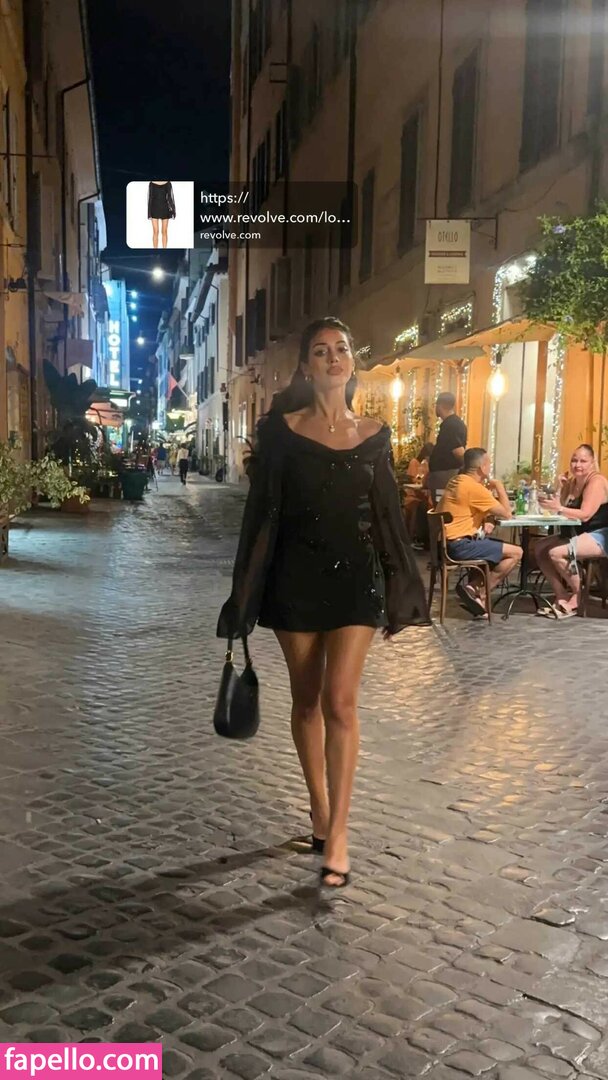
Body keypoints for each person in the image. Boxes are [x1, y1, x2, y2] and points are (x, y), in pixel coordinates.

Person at [217, 317, 430, 890]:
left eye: (342, 348)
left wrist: (402, 589)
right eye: (321, 351)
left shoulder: (376, 434)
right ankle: (318, 804)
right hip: (295, 579)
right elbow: (261, 517)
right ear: (307, 368)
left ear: (352, 361)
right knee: (307, 700)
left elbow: (387, 514)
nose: (333, 358)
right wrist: (244, 594)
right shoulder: (282, 434)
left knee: (341, 701)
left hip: (357, 580)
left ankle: (338, 832)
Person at [437, 447, 522, 616]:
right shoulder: (474, 488)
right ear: (482, 467)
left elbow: (469, 508)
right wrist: (499, 486)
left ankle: (476, 595)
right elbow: (507, 513)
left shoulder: (456, 481)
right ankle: (478, 592)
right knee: (516, 552)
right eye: (489, 464)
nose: (490, 467)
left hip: (444, 544)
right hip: (460, 545)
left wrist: (488, 519)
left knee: (494, 547)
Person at [535, 444, 608, 619]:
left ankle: (577, 596)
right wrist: (561, 488)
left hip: (600, 533)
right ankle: (561, 595)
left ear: (592, 462)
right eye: (574, 460)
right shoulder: (573, 482)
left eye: (583, 461)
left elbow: (585, 514)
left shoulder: (596, 482)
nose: (578, 465)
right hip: (577, 532)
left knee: (556, 553)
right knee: (539, 548)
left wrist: (559, 508)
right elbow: (561, 506)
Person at [427, 392, 467, 501]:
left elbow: (458, 450)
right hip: (444, 475)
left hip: (445, 476)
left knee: (443, 505)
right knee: (441, 504)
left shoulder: (451, 425)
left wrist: (466, 467)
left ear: (440, 405)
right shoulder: (451, 423)